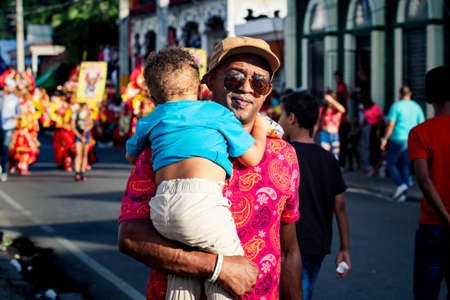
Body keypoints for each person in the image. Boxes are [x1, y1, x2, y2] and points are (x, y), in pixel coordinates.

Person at [118, 36, 302, 300]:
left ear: (267, 92)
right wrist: (218, 268)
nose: (246, 88)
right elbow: (131, 238)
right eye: (235, 78)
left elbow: (288, 250)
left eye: (259, 82)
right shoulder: (163, 146)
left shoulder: (284, 155)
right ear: (209, 82)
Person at [278, 91, 351, 300]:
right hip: (318, 244)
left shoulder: (282, 155)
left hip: (289, 245)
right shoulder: (328, 159)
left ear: (291, 118)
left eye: (282, 115)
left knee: (295, 292)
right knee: (304, 288)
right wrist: (344, 248)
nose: (279, 120)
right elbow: (341, 207)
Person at [408, 66, 450, 300]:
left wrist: (446, 218)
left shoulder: (420, 133)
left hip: (433, 224)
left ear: (429, 98)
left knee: (426, 293)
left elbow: (424, 180)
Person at [381, 86, 425, 201]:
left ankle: (401, 185)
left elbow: (390, 124)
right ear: (409, 94)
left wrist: (385, 138)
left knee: (391, 164)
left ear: (400, 94)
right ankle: (403, 193)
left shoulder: (396, 106)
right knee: (405, 165)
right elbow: (421, 124)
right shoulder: (416, 107)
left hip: (397, 138)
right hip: (411, 140)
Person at [0, 74, 20, 182]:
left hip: (9, 126)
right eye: (10, 87)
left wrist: (16, 116)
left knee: (5, 147)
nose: (12, 89)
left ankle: (4, 170)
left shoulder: (15, 99)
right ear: (5, 86)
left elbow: (19, 113)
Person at [315, 91, 346, 160]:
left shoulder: (337, 110)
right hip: (324, 134)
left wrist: (331, 100)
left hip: (335, 135)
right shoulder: (322, 110)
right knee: (324, 157)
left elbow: (343, 110)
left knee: (335, 157)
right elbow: (317, 124)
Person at [71, 101, 93, 181]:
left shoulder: (88, 113)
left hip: (86, 134)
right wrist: (80, 136)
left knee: (85, 154)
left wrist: (86, 129)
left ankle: (82, 172)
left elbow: (91, 124)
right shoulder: (75, 113)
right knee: (78, 153)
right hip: (78, 134)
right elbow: (73, 126)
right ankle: (77, 172)